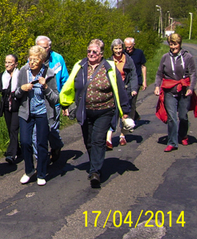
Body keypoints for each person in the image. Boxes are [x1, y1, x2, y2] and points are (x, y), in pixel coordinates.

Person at [59, 40, 130, 188]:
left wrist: (125, 111)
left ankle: (95, 171)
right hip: (85, 111)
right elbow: (70, 84)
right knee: (89, 141)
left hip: (105, 110)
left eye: (94, 52)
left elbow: (120, 88)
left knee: (98, 139)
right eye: (89, 51)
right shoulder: (81, 65)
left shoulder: (109, 67)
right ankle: (95, 163)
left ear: (101, 54)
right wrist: (65, 103)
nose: (91, 54)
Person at [14, 45, 59, 186]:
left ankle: (41, 173)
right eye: (30, 59)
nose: (31, 62)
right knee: (26, 142)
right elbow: (16, 93)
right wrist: (22, 89)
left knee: (41, 143)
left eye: (35, 60)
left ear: (42, 60)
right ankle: (29, 171)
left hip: (42, 113)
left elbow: (55, 98)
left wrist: (45, 87)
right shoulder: (23, 71)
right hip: (25, 112)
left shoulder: (49, 73)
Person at [154, 33, 197, 152]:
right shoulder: (165, 57)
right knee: (172, 118)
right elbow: (159, 74)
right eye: (171, 44)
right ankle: (172, 142)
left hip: (184, 90)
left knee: (183, 117)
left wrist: (191, 87)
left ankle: (183, 135)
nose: (173, 47)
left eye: (175, 44)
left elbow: (193, 74)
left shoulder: (188, 57)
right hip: (170, 90)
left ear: (180, 44)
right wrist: (157, 86)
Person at [35, 36, 69, 163]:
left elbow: (65, 79)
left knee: (52, 128)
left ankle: (56, 146)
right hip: (38, 100)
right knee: (39, 132)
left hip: (54, 99)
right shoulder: (31, 60)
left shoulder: (58, 59)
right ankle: (41, 159)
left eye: (44, 48)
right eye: (39, 48)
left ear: (49, 47)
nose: (41, 50)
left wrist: (65, 101)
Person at [106, 39, 138, 149]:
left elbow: (133, 75)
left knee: (125, 114)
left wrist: (133, 88)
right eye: (116, 49)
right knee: (112, 113)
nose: (118, 51)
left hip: (126, 89)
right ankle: (109, 140)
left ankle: (122, 136)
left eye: (120, 48)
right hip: (114, 91)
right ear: (112, 49)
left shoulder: (128, 60)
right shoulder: (109, 61)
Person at [0, 54, 20, 164]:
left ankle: (11, 154)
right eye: (6, 62)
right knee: (10, 129)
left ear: (16, 64)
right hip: (6, 106)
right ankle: (17, 149)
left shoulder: (20, 75)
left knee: (14, 128)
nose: (7, 65)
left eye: (10, 62)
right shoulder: (1, 76)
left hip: (17, 105)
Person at [124, 37, 147, 121]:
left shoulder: (139, 53)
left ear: (134, 45)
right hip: (125, 81)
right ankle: (136, 116)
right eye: (126, 47)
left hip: (136, 80)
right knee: (125, 100)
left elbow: (143, 66)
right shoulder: (123, 53)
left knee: (132, 101)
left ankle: (131, 121)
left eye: (129, 47)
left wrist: (144, 81)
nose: (128, 49)